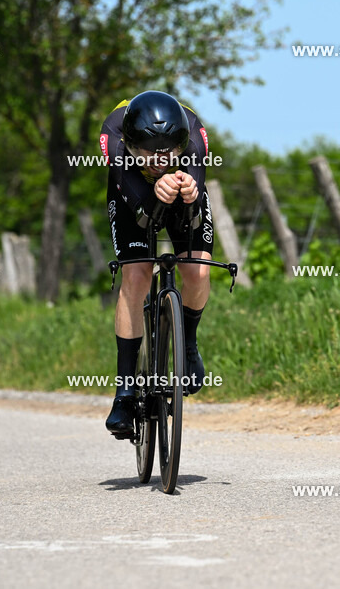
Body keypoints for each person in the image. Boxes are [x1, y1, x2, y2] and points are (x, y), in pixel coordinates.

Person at [99, 90, 215, 438]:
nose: (160, 161)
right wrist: (151, 196)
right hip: (130, 192)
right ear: (132, 144)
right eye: (150, 153)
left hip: (181, 195)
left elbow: (196, 184)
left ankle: (189, 343)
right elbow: (132, 195)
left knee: (197, 268)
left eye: (169, 153)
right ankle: (124, 392)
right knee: (135, 277)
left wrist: (190, 191)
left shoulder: (194, 135)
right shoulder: (114, 136)